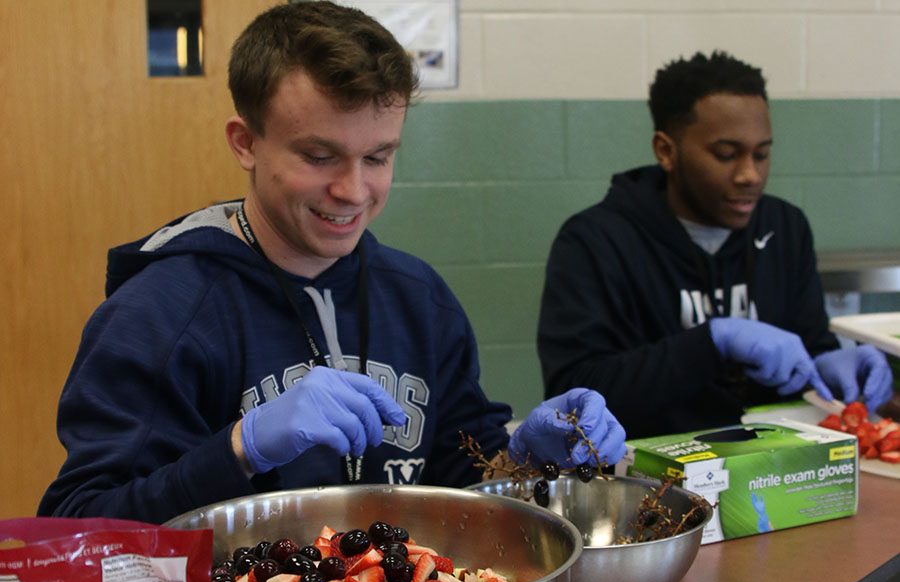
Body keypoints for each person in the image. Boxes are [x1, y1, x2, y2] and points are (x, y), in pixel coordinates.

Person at [38, 1, 626, 525]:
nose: (353, 190)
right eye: (320, 156)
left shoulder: (418, 296)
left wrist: (524, 456)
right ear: (245, 142)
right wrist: (241, 448)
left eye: (378, 156)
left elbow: (460, 477)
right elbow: (79, 523)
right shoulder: (161, 313)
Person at [537, 50, 892, 440]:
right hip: (650, 477)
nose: (750, 175)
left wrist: (830, 364)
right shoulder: (595, 241)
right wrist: (712, 342)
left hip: (774, 468)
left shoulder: (784, 228)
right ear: (666, 151)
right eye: (726, 154)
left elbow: (810, 345)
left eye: (762, 153)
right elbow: (573, 392)